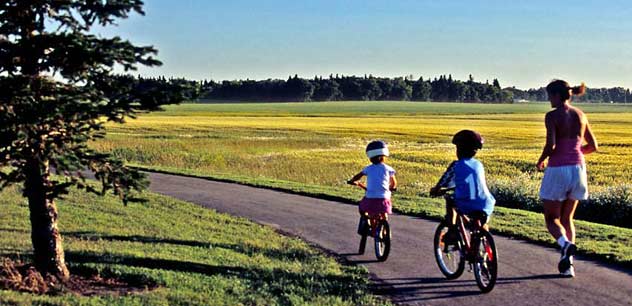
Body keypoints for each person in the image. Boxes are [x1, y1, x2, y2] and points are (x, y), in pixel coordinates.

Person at [536, 80, 598, 277]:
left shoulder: (552, 116)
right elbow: (593, 146)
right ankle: (568, 266)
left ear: (556, 95)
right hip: (578, 169)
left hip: (558, 170)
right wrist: (574, 153)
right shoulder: (580, 115)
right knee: (567, 218)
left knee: (551, 218)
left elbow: (551, 145)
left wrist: (541, 160)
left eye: (549, 96)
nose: (548, 100)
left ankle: (565, 244)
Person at [430, 130, 496, 243]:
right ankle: (486, 248)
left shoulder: (457, 165)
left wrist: (436, 190)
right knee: (481, 224)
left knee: (450, 201)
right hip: (486, 203)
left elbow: (444, 182)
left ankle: (452, 232)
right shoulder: (478, 164)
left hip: (467, 202)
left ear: (459, 149)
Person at [347, 140, 397, 241]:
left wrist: (352, 180)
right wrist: (392, 188)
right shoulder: (388, 168)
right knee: (383, 212)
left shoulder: (368, 168)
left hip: (370, 198)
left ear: (370, 157)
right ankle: (384, 228)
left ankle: (372, 228)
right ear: (384, 155)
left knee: (363, 209)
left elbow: (358, 176)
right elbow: (394, 183)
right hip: (384, 198)